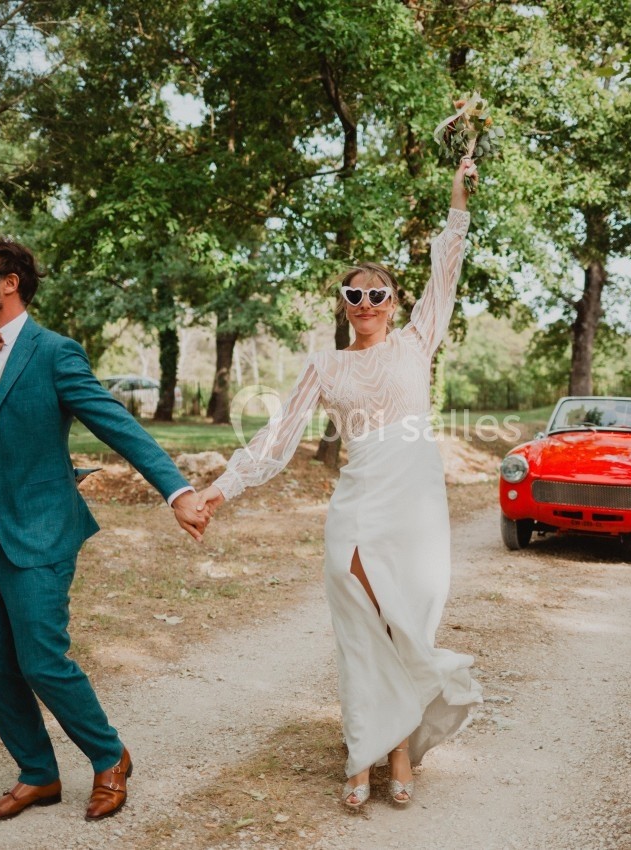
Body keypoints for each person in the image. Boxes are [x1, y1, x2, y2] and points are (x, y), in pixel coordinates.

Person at [0, 236, 209, 823]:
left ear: (9, 283)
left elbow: (113, 422)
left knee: (42, 660)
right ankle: (38, 775)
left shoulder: (54, 353)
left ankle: (109, 756)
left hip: (44, 529)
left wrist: (176, 490)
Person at [196, 158, 483, 809]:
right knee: (359, 619)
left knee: (402, 620)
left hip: (416, 501)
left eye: (377, 295)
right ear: (341, 305)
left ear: (396, 303)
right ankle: (364, 751)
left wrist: (458, 192)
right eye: (353, 296)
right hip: (358, 499)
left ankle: (401, 748)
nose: (365, 305)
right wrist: (221, 488)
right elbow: (278, 435)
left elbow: (448, 265)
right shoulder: (324, 364)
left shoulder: (417, 342)